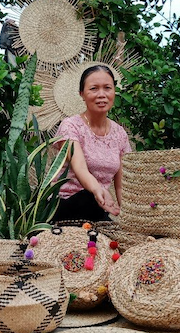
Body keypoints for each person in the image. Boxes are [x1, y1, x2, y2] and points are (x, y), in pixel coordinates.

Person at [52, 65, 132, 222]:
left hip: (98, 205)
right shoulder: (71, 126)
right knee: (88, 198)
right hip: (66, 203)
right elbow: (80, 168)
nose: (101, 95)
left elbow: (121, 185)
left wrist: (129, 216)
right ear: (82, 94)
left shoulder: (119, 134)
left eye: (107, 88)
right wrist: (98, 190)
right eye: (94, 89)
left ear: (114, 92)